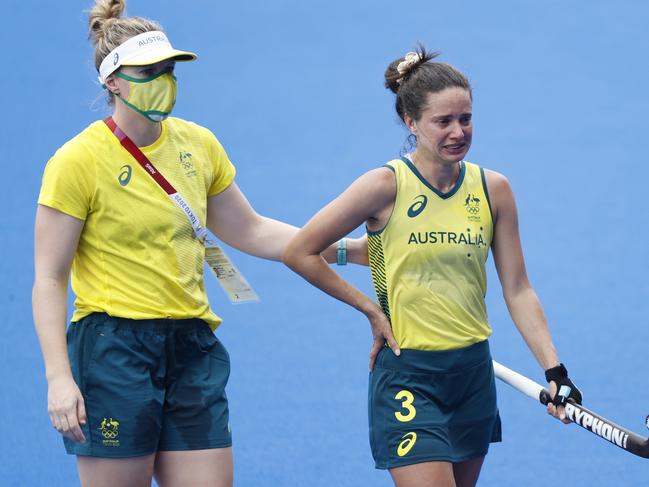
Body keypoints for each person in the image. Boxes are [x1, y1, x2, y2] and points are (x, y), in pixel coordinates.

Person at [31, 1, 367, 486]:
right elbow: (48, 278)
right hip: (114, 351)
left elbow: (251, 230)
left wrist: (346, 249)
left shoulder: (198, 144)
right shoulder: (76, 162)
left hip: (191, 347)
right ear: (113, 81)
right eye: (148, 72)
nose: (163, 80)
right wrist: (58, 378)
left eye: (168, 69)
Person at [283, 47, 582, 487]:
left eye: (466, 118)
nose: (458, 132)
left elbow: (517, 289)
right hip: (408, 376)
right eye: (443, 121)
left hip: (473, 376)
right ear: (410, 121)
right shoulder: (383, 186)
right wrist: (369, 309)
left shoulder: (493, 189)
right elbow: (300, 251)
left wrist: (556, 371)